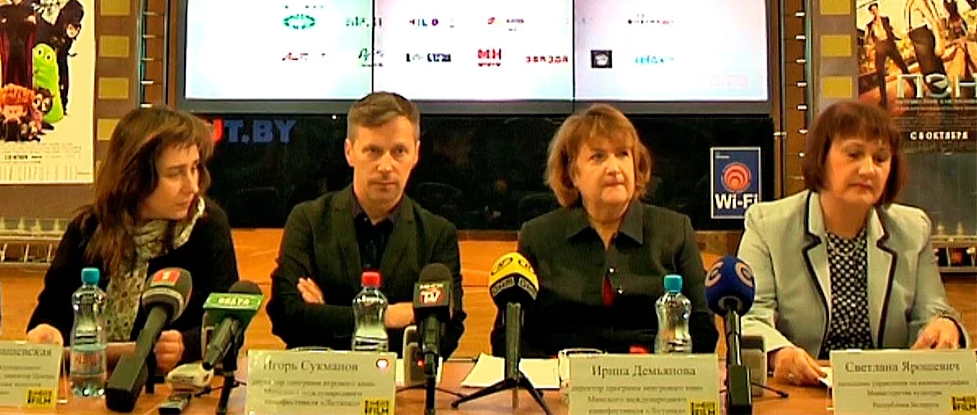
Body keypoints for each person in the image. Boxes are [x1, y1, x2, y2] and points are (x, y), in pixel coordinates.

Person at [737, 101, 968, 387]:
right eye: (854, 154)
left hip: (886, 391)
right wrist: (778, 352)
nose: (868, 170)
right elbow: (749, 318)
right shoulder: (767, 225)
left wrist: (944, 326)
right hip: (803, 389)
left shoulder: (913, 229)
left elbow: (932, 311)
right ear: (821, 158)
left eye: (880, 158)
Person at [492, 104, 718, 356]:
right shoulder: (538, 237)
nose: (614, 168)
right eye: (598, 157)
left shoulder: (675, 231)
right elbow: (508, 338)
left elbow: (703, 332)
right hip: (561, 375)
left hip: (652, 375)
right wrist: (554, 367)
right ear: (573, 173)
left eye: (623, 154)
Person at [26, 107, 237, 372]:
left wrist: (186, 345)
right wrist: (47, 331)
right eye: (175, 174)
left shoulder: (207, 225)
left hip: (169, 384)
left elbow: (228, 326)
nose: (192, 186)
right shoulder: (89, 227)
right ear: (135, 176)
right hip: (88, 380)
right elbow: (52, 310)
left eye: (194, 168)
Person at [266, 92, 466, 355]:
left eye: (399, 151)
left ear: (416, 154)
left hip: (403, 379)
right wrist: (389, 316)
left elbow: (446, 334)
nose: (386, 166)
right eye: (373, 151)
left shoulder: (437, 234)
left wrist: (327, 316)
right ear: (349, 152)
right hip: (321, 377)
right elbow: (287, 317)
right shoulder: (309, 221)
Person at [863, 2, 909, 107]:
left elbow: (893, 30)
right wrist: (870, 48)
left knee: (903, 67)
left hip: (890, 46)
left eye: (876, 9)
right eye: (872, 10)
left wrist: (901, 37)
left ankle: (915, 88)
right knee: (880, 73)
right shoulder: (869, 26)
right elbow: (868, 39)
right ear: (870, 12)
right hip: (880, 48)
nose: (875, 12)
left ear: (878, 9)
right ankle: (884, 100)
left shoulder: (886, 19)